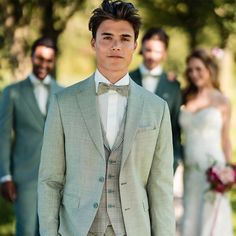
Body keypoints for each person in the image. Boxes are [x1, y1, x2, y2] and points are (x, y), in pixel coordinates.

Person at [37, 0, 175, 235]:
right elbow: (50, 181)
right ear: (94, 42)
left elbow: (161, 187)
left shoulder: (157, 108)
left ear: (135, 45)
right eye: (107, 37)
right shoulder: (63, 103)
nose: (116, 46)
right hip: (77, 229)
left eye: (124, 39)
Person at [0, 37, 63, 236]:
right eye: (39, 59)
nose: (43, 64)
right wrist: (5, 175)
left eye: (48, 60)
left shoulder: (64, 93)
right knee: (26, 230)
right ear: (32, 57)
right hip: (24, 177)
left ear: (53, 62)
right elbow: (3, 135)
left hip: (58, 178)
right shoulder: (12, 93)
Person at [179, 49, 233, 236]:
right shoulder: (185, 96)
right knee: (191, 214)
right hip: (190, 170)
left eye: (198, 69)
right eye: (190, 70)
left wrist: (230, 170)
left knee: (213, 219)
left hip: (213, 169)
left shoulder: (222, 101)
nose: (194, 74)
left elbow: (225, 139)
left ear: (209, 69)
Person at [130, 27, 182, 171]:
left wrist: (175, 160)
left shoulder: (174, 86)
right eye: (148, 50)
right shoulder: (127, 79)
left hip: (162, 160)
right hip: (130, 159)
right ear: (141, 49)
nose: (152, 56)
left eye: (157, 51)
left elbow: (175, 127)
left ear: (165, 53)